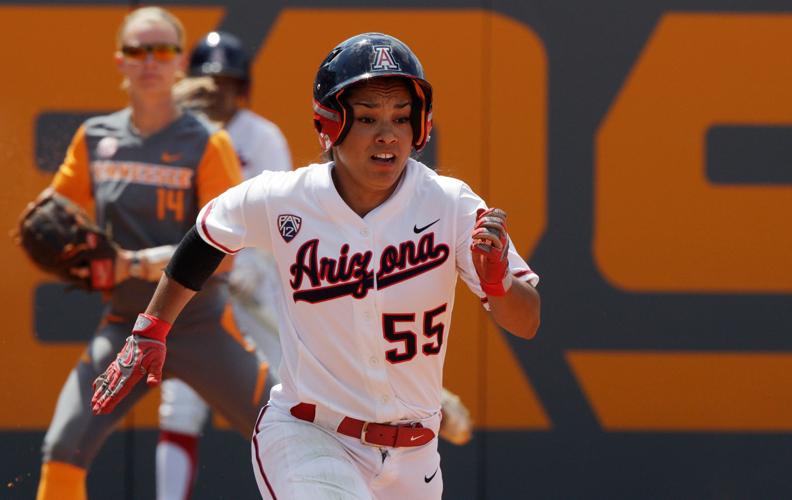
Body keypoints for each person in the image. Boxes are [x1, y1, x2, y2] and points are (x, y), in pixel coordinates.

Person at [91, 32, 541, 500]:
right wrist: (152, 327)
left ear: (421, 125)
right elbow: (207, 236)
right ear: (330, 124)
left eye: (401, 117)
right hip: (311, 435)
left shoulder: (452, 206)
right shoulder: (284, 198)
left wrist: (499, 283)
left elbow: (527, 322)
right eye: (367, 117)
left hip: (416, 456)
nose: (387, 133)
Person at [33, 8, 276, 499]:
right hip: (126, 325)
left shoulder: (209, 141)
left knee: (290, 433)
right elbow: (54, 216)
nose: (150, 61)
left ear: (179, 62)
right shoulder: (96, 139)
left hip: (202, 325)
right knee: (64, 444)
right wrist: (49, 228)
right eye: (138, 51)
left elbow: (226, 250)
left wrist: (134, 262)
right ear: (120, 61)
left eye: (162, 50)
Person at [155, 30, 292, 500]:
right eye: (207, 82)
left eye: (228, 82)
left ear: (244, 88)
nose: (217, 91)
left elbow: (283, 217)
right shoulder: (177, 136)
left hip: (258, 289)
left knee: (286, 404)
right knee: (179, 407)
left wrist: (248, 265)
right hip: (197, 290)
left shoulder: (263, 137)